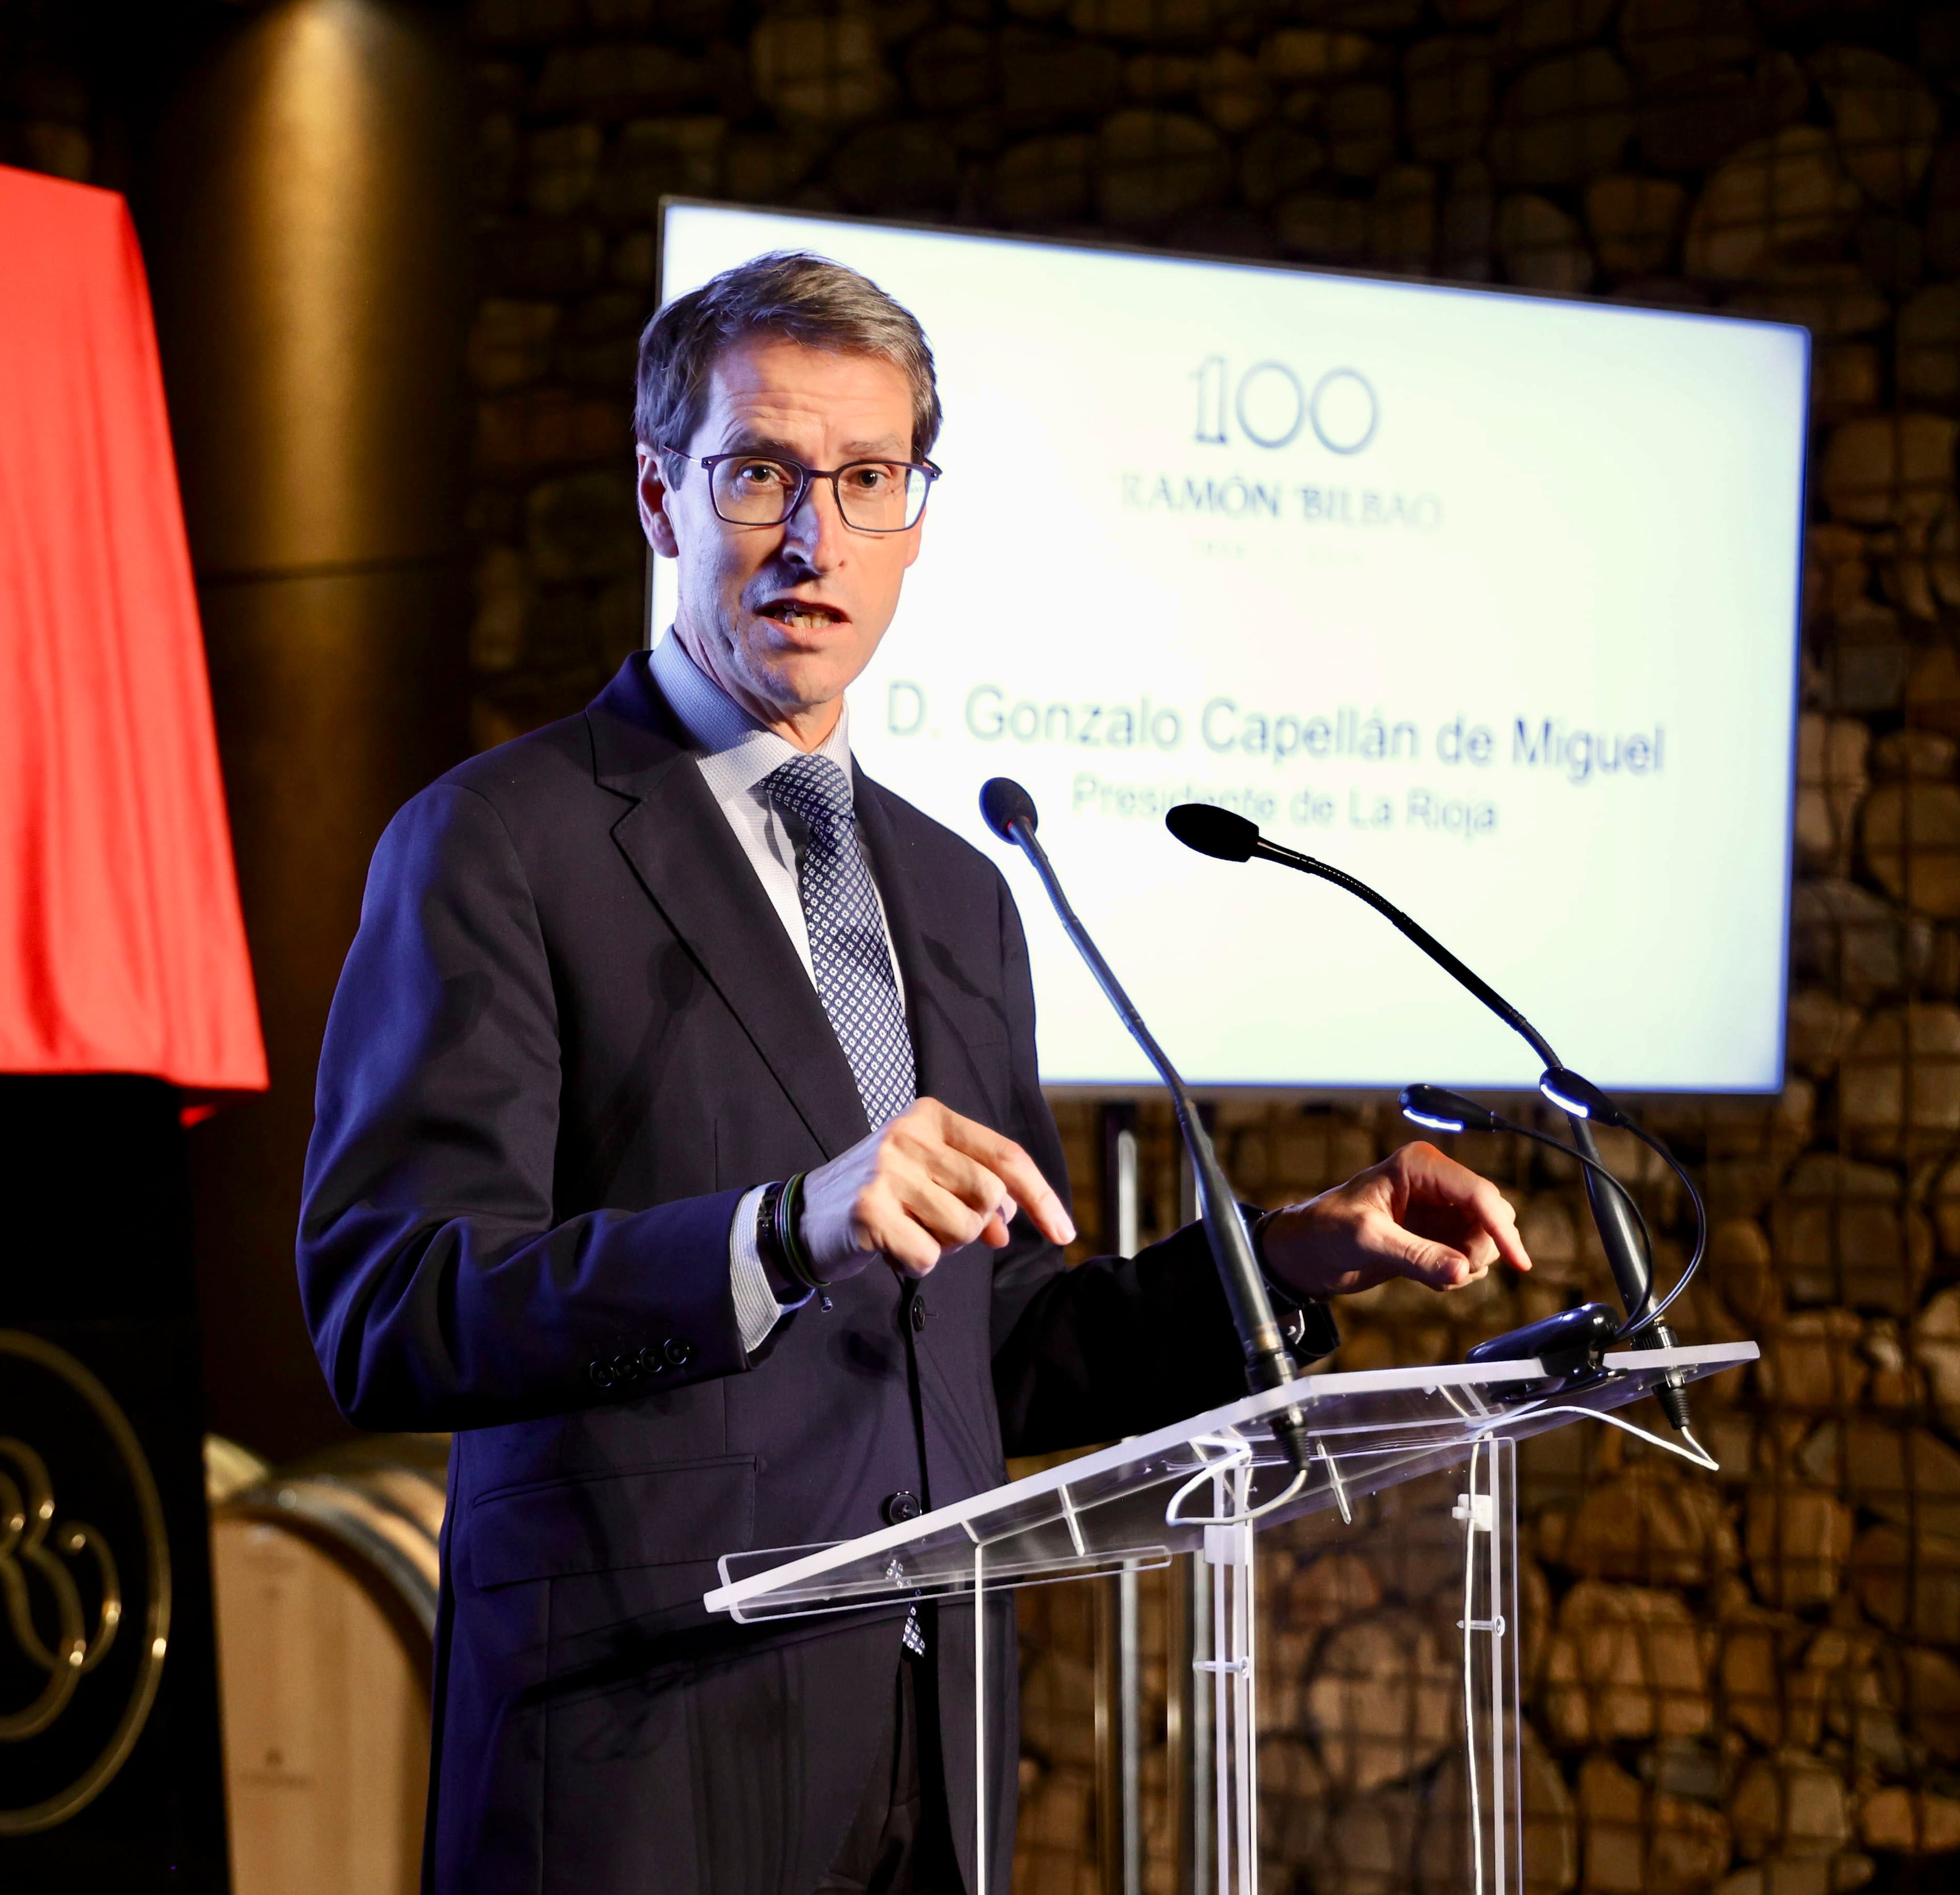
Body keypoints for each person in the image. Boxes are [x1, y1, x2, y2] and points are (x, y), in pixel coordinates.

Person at [297, 251, 1531, 1895]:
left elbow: (998, 1355)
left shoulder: (959, 895)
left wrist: (1293, 1256)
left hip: (924, 1757)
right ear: (662, 496)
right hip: (641, 1757)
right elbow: (394, 1307)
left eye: (868, 480)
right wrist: (774, 1233)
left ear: (916, 523)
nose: (816, 538)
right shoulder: (498, 842)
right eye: (762, 474)